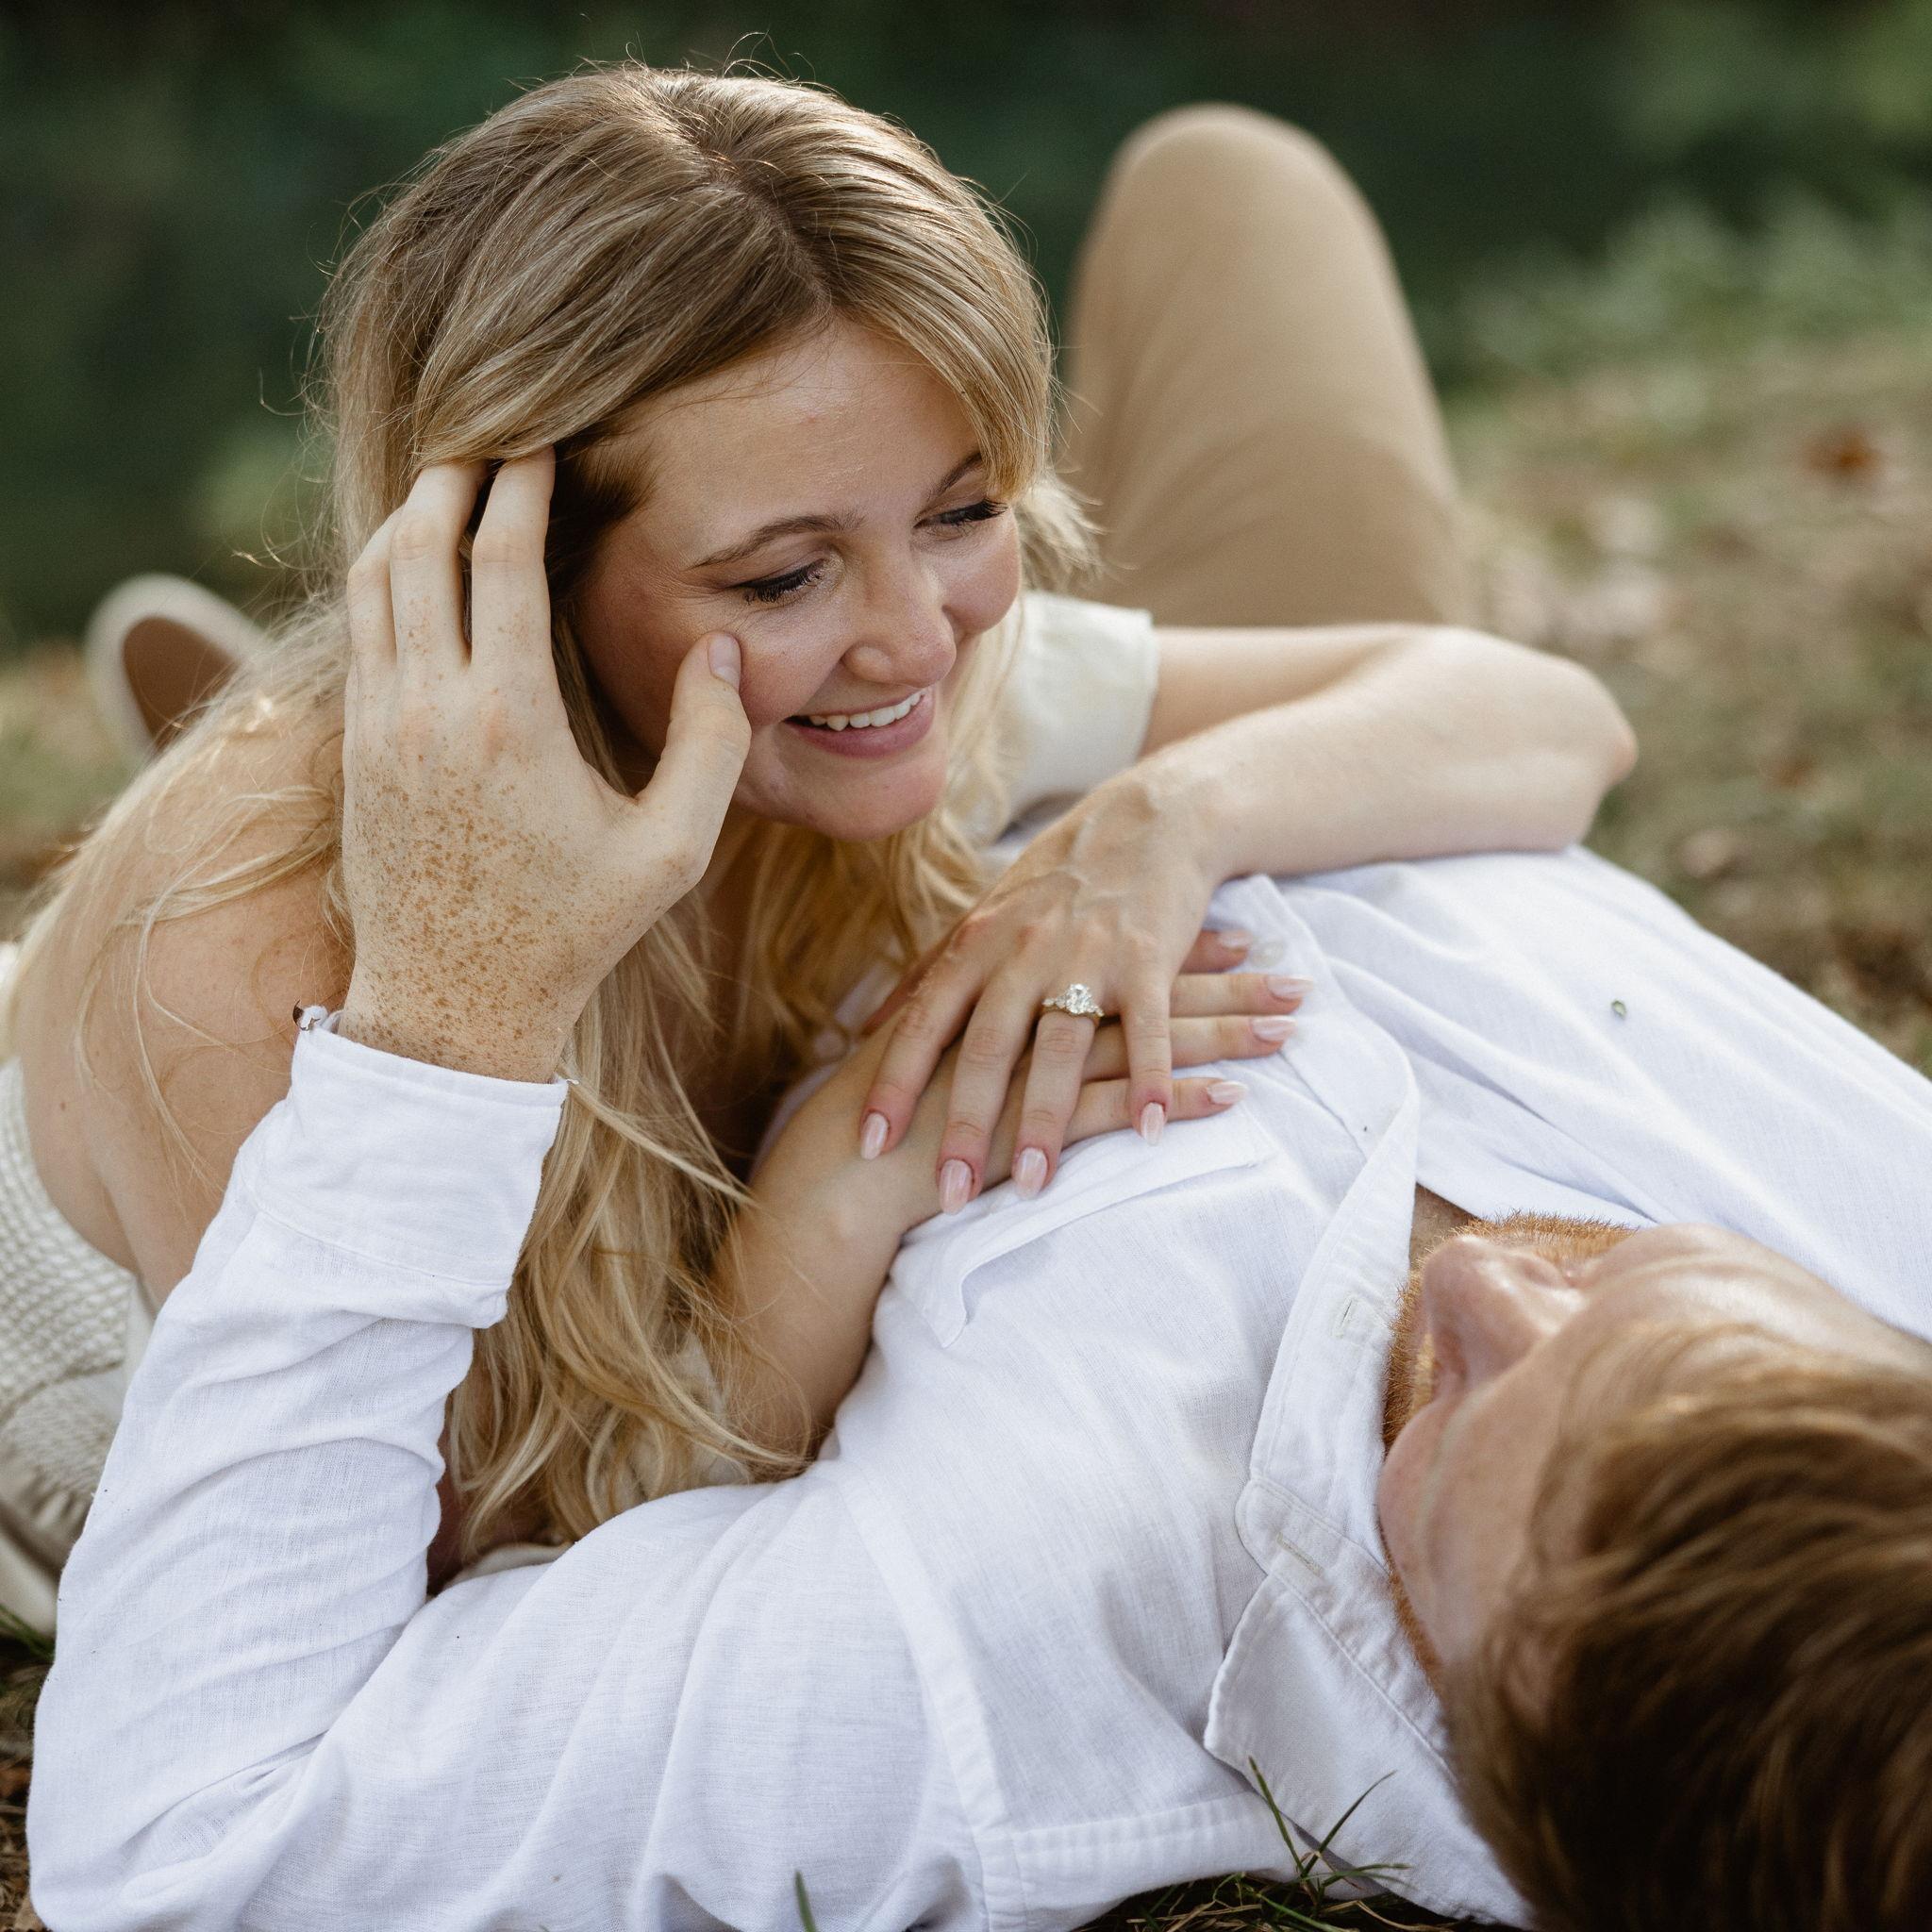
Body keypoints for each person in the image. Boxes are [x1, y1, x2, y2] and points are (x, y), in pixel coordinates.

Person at [0, 73, 1635, 1633]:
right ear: (520, 576)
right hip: (93, 1340)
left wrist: (1160, 819)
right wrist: (844, 1179)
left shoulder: (898, 674)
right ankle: (265, 753)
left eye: (965, 510)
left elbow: (1548, 719)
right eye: (783, 578)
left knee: (1234, 184)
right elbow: (479, 1591)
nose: (919, 641)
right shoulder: (244, 961)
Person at [27, 809, 1932, 1931]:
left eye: (1453, 1420)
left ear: (1484, 1736)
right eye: (1653, 1305)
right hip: (1136, 710)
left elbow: (193, 1841)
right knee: (1216, 238)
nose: (1498, 1285)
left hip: (608, 1010)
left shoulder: (996, 1632)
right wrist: (1183, 792)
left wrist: (444, 1013)